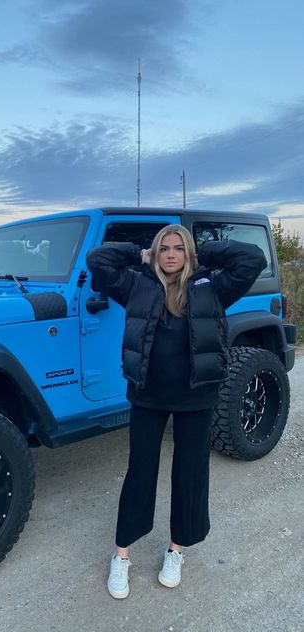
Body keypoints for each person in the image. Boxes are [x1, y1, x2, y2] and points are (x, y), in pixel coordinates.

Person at [86, 225, 267, 599]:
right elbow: (98, 260)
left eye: (178, 248)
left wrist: (203, 252)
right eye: (164, 248)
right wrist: (140, 254)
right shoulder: (135, 284)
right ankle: (122, 555)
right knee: (140, 473)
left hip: (195, 397)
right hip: (147, 396)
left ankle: (176, 550)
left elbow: (252, 259)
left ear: (188, 254)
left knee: (190, 474)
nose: (171, 255)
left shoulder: (213, 287)